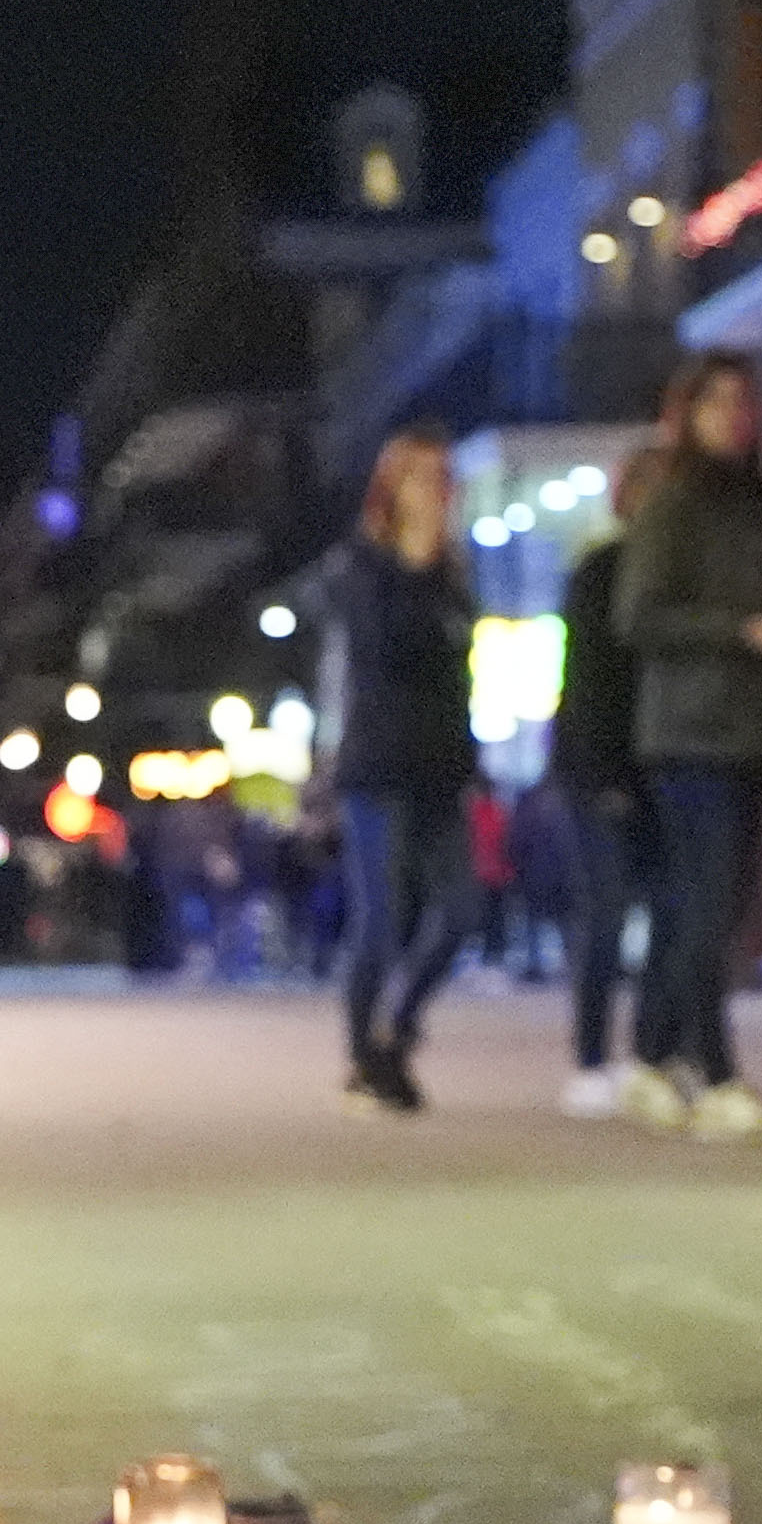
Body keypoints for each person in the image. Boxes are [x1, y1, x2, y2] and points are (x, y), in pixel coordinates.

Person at [609, 356, 762, 1141]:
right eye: (719, 400)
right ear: (688, 411)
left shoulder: (761, 504)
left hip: (749, 729)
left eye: (747, 401)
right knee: (706, 905)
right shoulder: (675, 502)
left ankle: (656, 1058)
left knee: (704, 906)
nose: (736, 415)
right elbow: (638, 617)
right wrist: (745, 632)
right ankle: (715, 1071)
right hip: (688, 731)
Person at [310, 425, 483, 1111]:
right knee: (379, 922)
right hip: (378, 768)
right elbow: (383, 650)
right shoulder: (364, 566)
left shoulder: (456, 572)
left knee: (462, 913)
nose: (438, 492)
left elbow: (459, 669)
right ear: (392, 491)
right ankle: (362, 1056)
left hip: (442, 768)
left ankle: (399, 1025)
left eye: (444, 479)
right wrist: (415, 565)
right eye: (422, 478)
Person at [548, 523, 649, 1110]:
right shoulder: (601, 571)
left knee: (673, 917)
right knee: (604, 917)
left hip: (660, 765)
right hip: (599, 775)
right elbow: (590, 684)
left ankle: (657, 1054)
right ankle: (591, 1060)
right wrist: (604, 775)